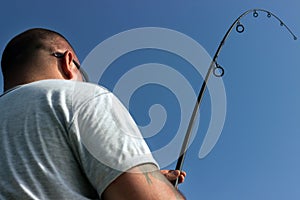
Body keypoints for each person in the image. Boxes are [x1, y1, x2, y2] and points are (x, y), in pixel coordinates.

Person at [0, 28, 186, 199]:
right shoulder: (83, 97)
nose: (84, 81)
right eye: (83, 73)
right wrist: (159, 189)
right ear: (67, 62)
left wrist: (140, 177)